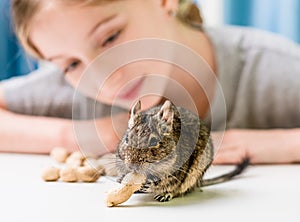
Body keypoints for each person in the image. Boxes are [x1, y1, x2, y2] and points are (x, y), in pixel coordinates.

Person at [2, 0, 300, 164]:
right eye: (71, 64)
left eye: (110, 37)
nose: (101, 76)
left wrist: (286, 144)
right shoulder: (73, 90)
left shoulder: (271, 66)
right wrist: (81, 136)